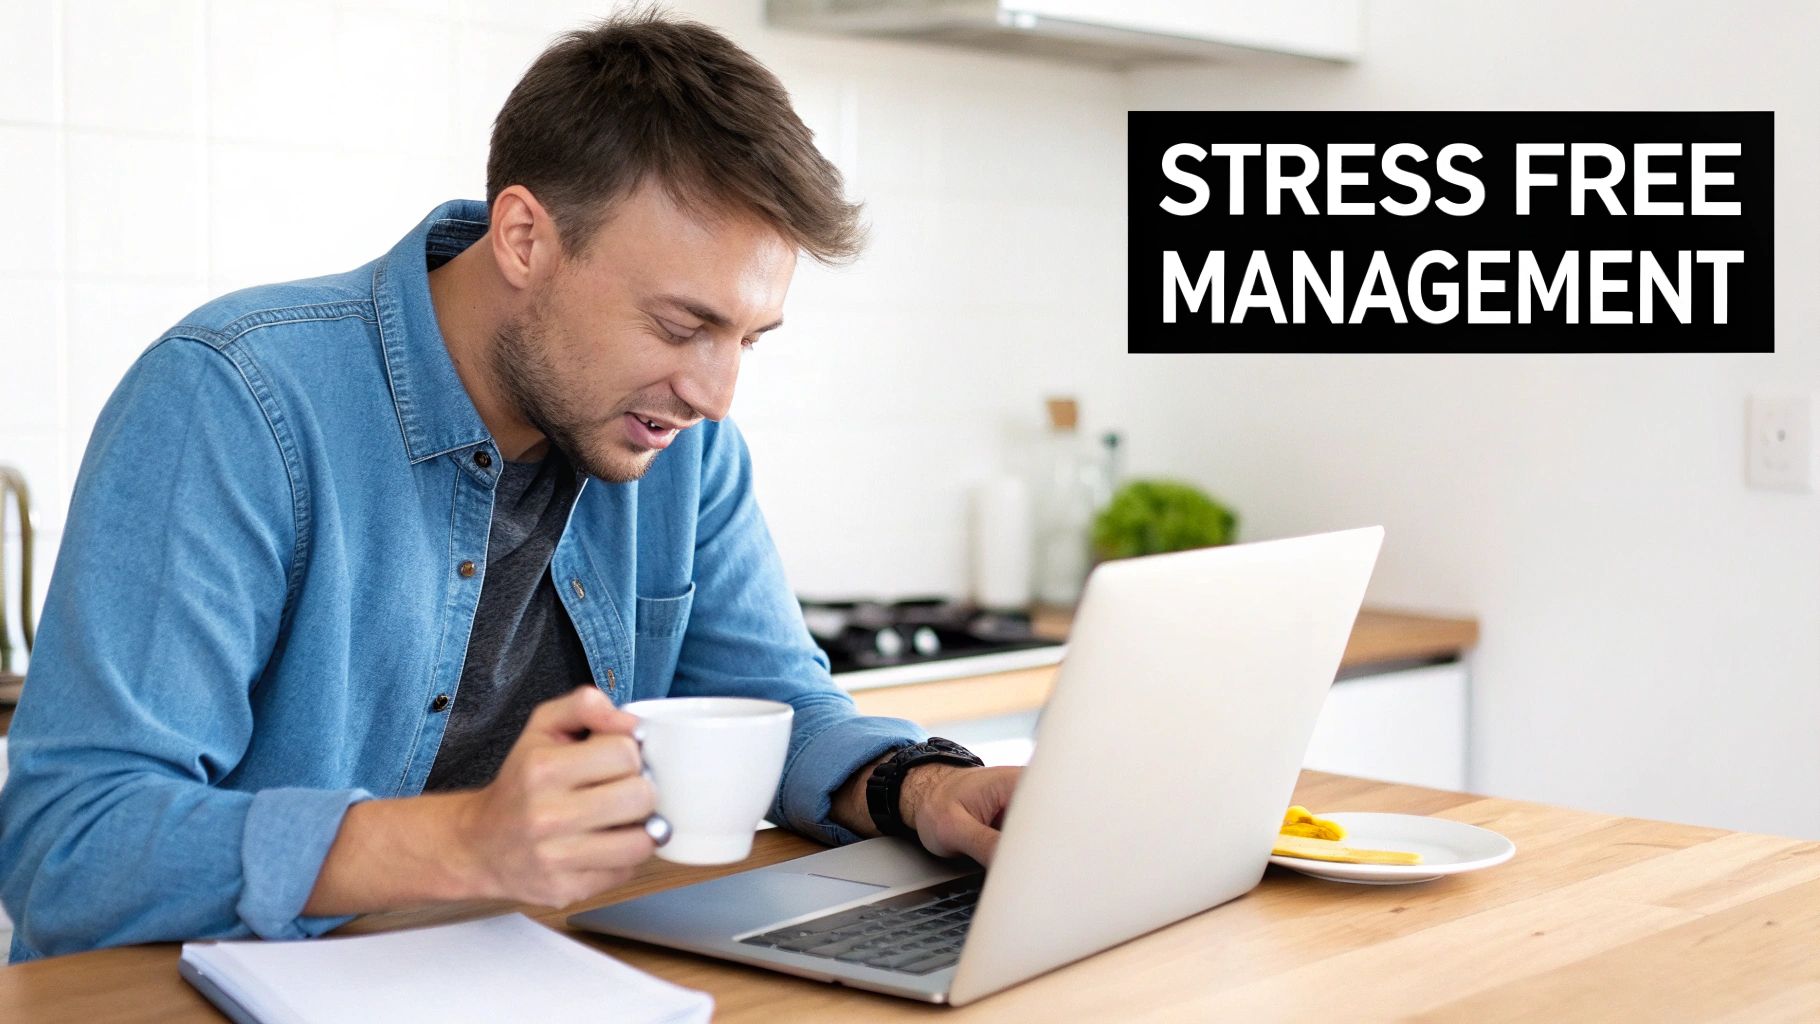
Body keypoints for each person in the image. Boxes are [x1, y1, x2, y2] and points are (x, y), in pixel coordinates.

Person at [0, 10, 1020, 962]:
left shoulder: (675, 439)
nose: (715, 393)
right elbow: (71, 842)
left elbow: (769, 709)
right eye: (681, 326)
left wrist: (922, 788)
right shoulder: (235, 400)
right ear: (525, 237)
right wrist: (463, 839)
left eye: (748, 338)